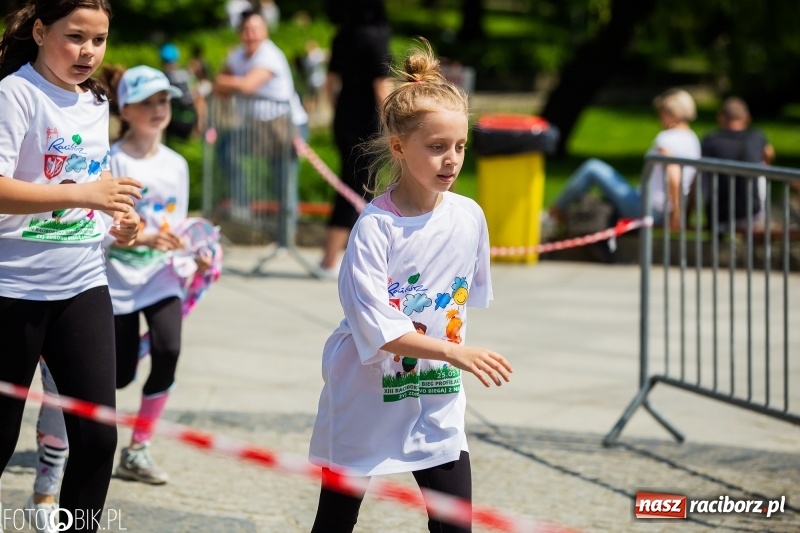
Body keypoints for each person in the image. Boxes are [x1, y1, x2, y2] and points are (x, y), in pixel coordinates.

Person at [307, 40, 514, 533]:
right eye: (437, 147)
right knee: (336, 520)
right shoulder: (375, 228)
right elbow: (377, 328)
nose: (452, 159)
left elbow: (459, 303)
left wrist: (449, 354)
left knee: (453, 523)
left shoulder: (470, 216)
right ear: (399, 147)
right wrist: (454, 352)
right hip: (366, 390)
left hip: (436, 392)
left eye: (460, 146)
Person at [0, 0, 142, 530]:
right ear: (40, 31)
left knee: (98, 435)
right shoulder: (15, 93)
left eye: (99, 40)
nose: (88, 52)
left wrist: (121, 224)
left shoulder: (96, 101)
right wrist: (85, 192)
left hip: (82, 283)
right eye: (75, 36)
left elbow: (95, 197)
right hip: (12, 288)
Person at [547, 88, 701, 231]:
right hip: (664, 209)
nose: (659, 117)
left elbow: (673, 175)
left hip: (647, 208)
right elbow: (691, 181)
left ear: (671, 113)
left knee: (592, 168)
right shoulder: (693, 140)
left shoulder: (667, 139)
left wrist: (677, 215)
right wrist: (683, 213)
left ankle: (552, 214)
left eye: (661, 112)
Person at [319, 0, 394, 276]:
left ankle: (330, 256)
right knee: (363, 188)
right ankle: (335, 259)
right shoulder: (377, 37)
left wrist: (340, 110)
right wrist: (394, 121)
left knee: (347, 183)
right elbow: (381, 84)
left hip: (344, 116)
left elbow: (330, 84)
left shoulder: (341, 36)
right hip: (368, 121)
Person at [213, 9, 308, 220]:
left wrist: (229, 83)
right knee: (226, 151)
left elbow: (246, 85)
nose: (251, 34)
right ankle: (242, 205)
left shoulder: (270, 55)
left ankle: (287, 235)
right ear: (239, 32)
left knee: (283, 180)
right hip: (256, 125)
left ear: (265, 31)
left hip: (285, 124)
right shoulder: (237, 55)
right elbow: (218, 84)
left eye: (256, 29)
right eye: (246, 30)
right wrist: (230, 83)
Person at [699, 96, 775, 230]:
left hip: (717, 213)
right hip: (752, 211)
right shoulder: (756, 137)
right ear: (747, 117)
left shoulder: (710, 140)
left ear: (721, 117)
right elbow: (769, 154)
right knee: (762, 168)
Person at [160, 43, 200, 141]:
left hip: (173, 120)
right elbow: (196, 97)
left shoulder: (161, 77)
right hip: (185, 118)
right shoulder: (186, 75)